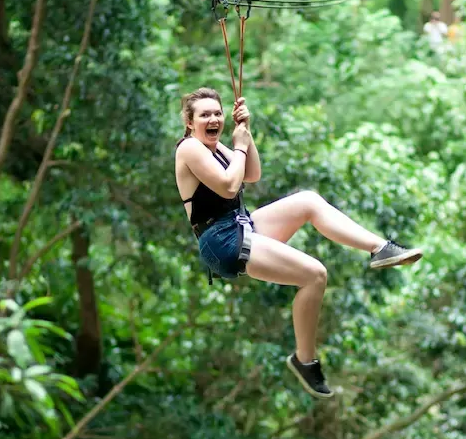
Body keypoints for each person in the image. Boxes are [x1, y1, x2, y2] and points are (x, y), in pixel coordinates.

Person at [175, 87, 422, 399]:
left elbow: (252, 174)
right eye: (204, 115)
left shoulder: (218, 147)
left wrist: (246, 135)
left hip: (240, 225)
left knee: (308, 201)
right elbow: (228, 187)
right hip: (221, 240)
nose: (213, 119)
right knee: (315, 275)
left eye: (217, 113)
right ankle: (305, 359)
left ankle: (379, 248)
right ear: (190, 123)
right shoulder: (189, 148)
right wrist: (239, 146)